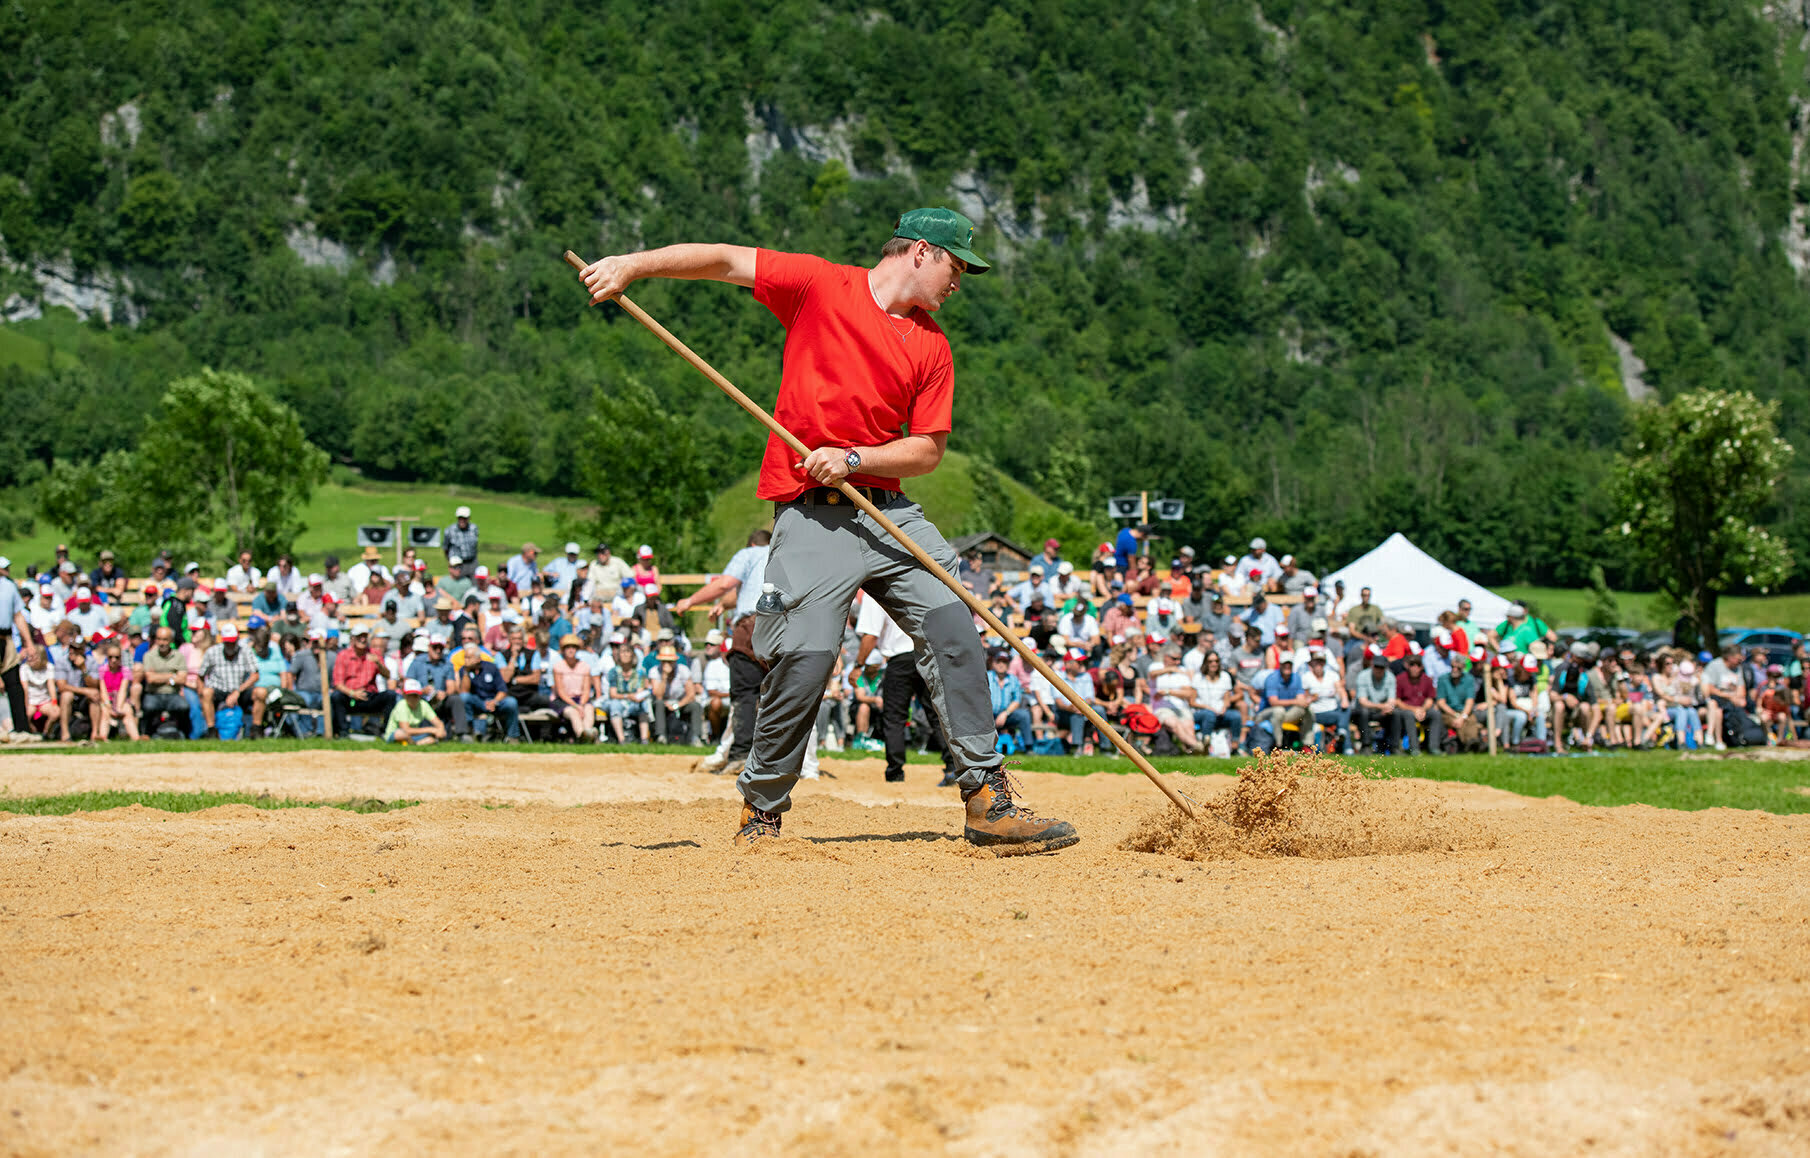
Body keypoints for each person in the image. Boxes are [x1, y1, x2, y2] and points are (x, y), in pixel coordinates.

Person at [582, 210, 1075, 851]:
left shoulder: (932, 345)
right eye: (957, 265)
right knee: (807, 655)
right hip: (812, 512)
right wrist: (630, 266)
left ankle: (986, 797)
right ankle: (762, 806)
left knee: (956, 623)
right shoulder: (820, 285)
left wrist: (854, 458)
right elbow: (724, 258)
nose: (961, 281)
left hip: (888, 511)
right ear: (922, 252)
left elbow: (926, 450)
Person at [856, 591, 955, 785]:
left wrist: (858, 665)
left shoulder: (873, 593)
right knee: (937, 714)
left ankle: (895, 773)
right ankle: (953, 768)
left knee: (894, 717)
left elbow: (870, 636)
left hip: (900, 659)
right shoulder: (911, 584)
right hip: (928, 654)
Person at [549, 634, 596, 741]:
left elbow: (586, 690)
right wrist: (576, 706)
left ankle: (588, 733)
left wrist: (582, 704)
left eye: (573, 647)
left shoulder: (584, 666)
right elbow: (561, 691)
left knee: (589, 709)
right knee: (573, 712)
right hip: (563, 700)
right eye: (568, 647)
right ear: (563, 650)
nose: (571, 650)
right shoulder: (558, 666)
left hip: (581, 699)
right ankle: (581, 736)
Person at [985, 647, 1033, 751]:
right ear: (994, 663)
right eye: (999, 662)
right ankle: (981, 749)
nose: (1001, 664)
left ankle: (1029, 748)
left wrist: (1005, 713)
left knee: (1024, 715)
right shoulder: (987, 677)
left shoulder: (1013, 679)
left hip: (1006, 715)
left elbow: (1017, 700)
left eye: (1005, 662)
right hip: (987, 714)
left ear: (1008, 665)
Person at [386, 678, 446, 745]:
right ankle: (417, 743)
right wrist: (431, 729)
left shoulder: (423, 704)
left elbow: (438, 723)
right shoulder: (401, 705)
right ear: (405, 695)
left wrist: (440, 730)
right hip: (398, 734)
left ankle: (414, 743)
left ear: (420, 695)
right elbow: (406, 729)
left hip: (413, 736)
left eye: (415, 695)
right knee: (400, 734)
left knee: (435, 735)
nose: (413, 698)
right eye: (410, 695)